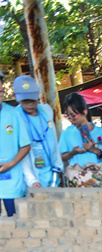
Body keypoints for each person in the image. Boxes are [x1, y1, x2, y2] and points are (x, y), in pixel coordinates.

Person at [12, 75, 62, 189]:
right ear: (16, 97)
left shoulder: (47, 111)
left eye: (33, 99)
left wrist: (58, 168)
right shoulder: (15, 117)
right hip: (31, 177)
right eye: (25, 100)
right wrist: (31, 180)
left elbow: (53, 143)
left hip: (52, 173)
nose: (30, 104)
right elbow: (20, 152)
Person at [58, 93, 102, 188]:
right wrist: (72, 153)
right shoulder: (67, 133)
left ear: (84, 112)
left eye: (73, 115)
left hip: (98, 180)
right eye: (68, 116)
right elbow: (61, 157)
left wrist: (95, 150)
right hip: (77, 180)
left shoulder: (100, 132)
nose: (71, 119)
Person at [0, 71, 31, 216]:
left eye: (1, 91)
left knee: (14, 220)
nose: (0, 94)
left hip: (12, 179)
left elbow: (25, 145)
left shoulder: (13, 114)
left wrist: (11, 164)